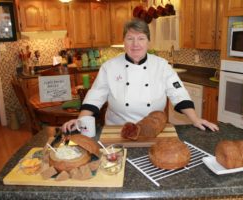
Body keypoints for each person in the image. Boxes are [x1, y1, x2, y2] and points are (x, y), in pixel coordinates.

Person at [62, 18, 219, 133]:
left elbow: (178, 93)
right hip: (118, 130)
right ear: (124, 42)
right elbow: (95, 96)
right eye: (130, 38)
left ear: (148, 42)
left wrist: (195, 119)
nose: (135, 44)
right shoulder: (109, 67)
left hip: (153, 130)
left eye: (141, 38)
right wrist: (80, 120)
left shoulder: (162, 65)